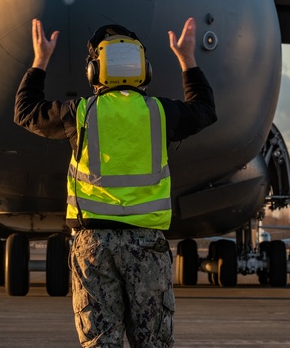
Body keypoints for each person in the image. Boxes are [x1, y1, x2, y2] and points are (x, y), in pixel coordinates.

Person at [14, 17, 217, 347]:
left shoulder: (78, 113)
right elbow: (205, 110)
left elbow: (25, 112)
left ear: (94, 72)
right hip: (146, 245)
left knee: (100, 341)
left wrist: (40, 60)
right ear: (144, 70)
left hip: (93, 245)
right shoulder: (160, 114)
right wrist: (187, 59)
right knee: (152, 341)